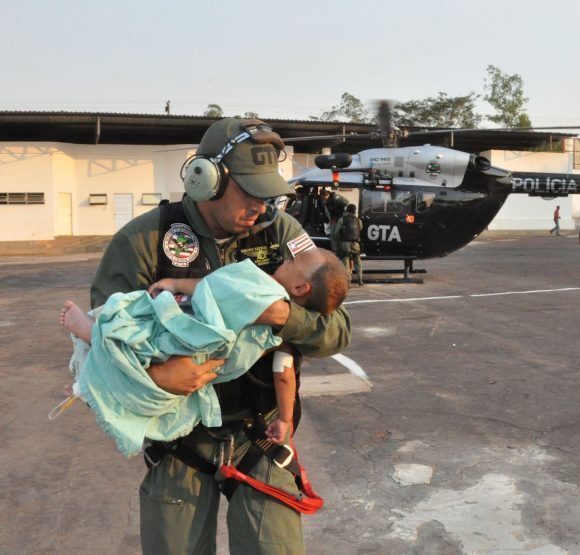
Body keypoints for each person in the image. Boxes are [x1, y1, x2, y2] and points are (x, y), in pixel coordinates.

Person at [88, 117, 351, 555]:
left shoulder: (284, 236)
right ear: (206, 179)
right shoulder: (147, 240)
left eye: (269, 192)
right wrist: (157, 375)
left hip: (261, 436)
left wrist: (282, 315)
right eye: (251, 191)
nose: (263, 205)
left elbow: (337, 330)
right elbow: (98, 338)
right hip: (178, 443)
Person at [58, 248, 349, 456]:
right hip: (211, 360)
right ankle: (91, 380)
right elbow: (284, 376)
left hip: (192, 331)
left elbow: (211, 286)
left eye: (294, 261)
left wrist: (174, 283)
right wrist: (285, 419)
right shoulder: (282, 337)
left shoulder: (259, 283)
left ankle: (89, 332)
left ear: (300, 286)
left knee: (144, 337)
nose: (285, 259)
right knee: (153, 363)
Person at [333, 204, 363, 286]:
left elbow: (335, 233)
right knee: (358, 261)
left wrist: (338, 241)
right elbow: (360, 228)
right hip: (355, 243)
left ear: (346, 210)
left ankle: (348, 282)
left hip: (345, 243)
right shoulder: (357, 220)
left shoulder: (342, 219)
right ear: (355, 211)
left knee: (345, 262)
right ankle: (360, 279)